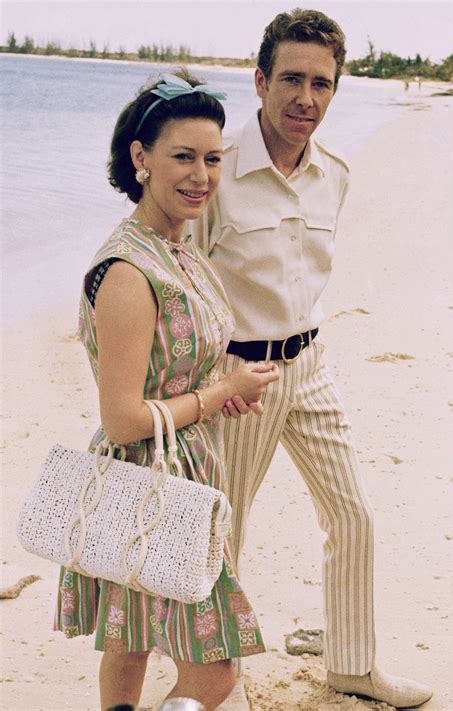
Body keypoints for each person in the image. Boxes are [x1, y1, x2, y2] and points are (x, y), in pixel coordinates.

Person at [193, 9, 433, 709]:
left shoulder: (336, 173)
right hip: (239, 375)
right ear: (260, 80)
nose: (306, 98)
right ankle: (221, 680)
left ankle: (353, 665)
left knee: (353, 513)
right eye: (292, 79)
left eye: (321, 83)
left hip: (311, 363)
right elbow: (181, 284)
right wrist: (210, 383)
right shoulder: (217, 174)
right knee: (223, 529)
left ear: (336, 89)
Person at [54, 69, 279, 711]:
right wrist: (216, 394)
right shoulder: (128, 269)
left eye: (212, 158)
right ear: (140, 159)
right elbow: (123, 418)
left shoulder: (181, 250)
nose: (201, 175)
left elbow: (171, 369)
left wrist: (222, 388)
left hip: (184, 467)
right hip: (147, 481)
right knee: (215, 675)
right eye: (183, 156)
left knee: (128, 642)